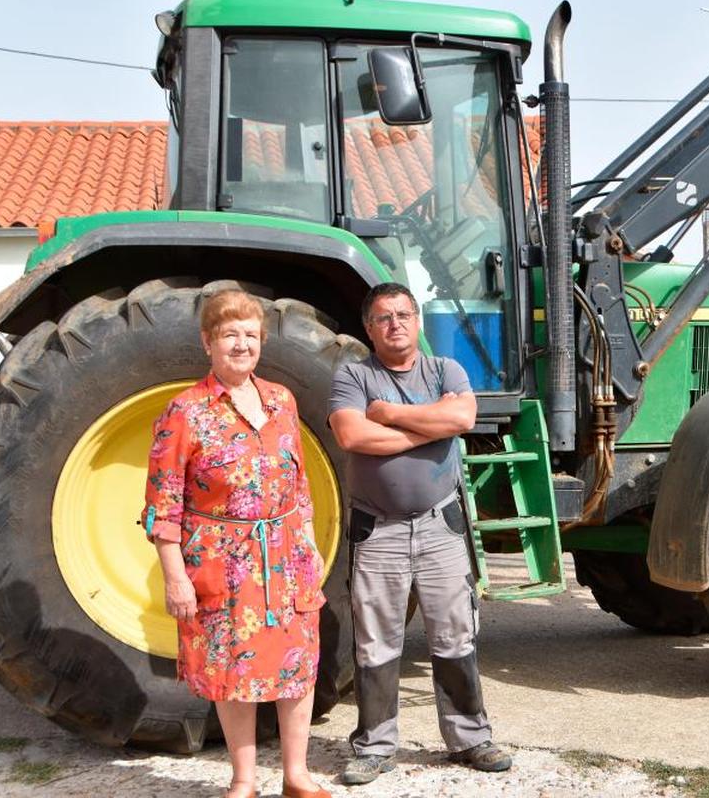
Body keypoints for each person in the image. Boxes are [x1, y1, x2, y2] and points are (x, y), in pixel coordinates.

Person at [141, 289, 332, 798]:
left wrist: (309, 544)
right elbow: (163, 503)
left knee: (297, 664)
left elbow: (300, 483)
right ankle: (243, 780)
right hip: (223, 563)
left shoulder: (281, 400)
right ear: (209, 343)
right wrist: (175, 574)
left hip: (287, 555)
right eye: (230, 335)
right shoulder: (184, 411)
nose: (242, 345)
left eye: (251, 335)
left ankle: (297, 776)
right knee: (232, 669)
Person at [329, 282, 512, 785]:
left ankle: (470, 739)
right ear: (369, 327)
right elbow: (351, 434)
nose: (396, 324)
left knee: (455, 635)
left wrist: (389, 416)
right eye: (384, 317)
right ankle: (375, 746)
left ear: (418, 321)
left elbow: (464, 417)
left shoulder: (444, 370)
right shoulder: (353, 375)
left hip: (440, 525)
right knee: (376, 644)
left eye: (404, 314)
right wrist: (429, 428)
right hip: (377, 529)